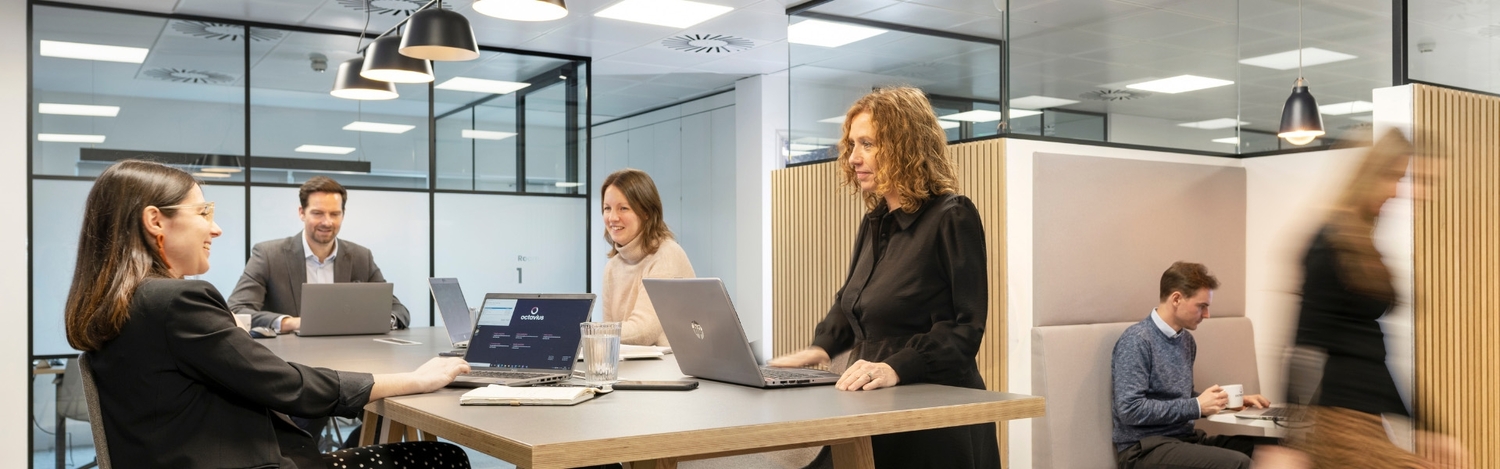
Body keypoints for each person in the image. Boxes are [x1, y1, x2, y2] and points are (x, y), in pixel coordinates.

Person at [63, 160, 471, 468]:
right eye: (204, 213)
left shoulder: (117, 302)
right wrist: (415, 379)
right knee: (441, 457)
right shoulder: (176, 301)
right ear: (155, 221)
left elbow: (394, 309)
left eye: (335, 214)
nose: (216, 229)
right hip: (247, 460)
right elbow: (286, 384)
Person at [768, 86, 997, 469]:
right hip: (872, 401)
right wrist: (820, 347)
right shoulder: (876, 221)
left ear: (906, 146)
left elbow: (964, 330)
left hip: (932, 416)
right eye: (852, 144)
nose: (854, 157)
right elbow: (853, 300)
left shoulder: (953, 216)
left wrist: (895, 366)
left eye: (868, 144)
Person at [1284, 131, 1468, 468]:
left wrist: (1424, 425)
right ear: (1369, 173)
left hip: (1366, 421)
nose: (1398, 191)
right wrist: (1290, 440)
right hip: (1339, 422)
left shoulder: (1360, 240)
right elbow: (1304, 345)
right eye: (1393, 177)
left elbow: (1373, 351)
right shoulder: (1328, 243)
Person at [1111, 261, 1278, 469]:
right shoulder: (1136, 341)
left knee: (1272, 450)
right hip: (1143, 450)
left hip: (1184, 441)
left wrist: (1225, 401)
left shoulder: (1186, 341)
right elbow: (1130, 409)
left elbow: (1182, 397)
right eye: (1202, 306)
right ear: (1177, 299)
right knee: (1238, 463)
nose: (1207, 315)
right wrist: (1197, 406)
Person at [229, 176, 410, 333]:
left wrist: (380, 322)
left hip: (350, 355)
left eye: (335, 214)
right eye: (318, 213)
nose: (327, 222)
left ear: (343, 214)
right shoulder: (268, 255)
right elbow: (237, 310)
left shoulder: (361, 257)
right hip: (289, 359)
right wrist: (291, 323)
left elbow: (397, 310)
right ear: (302, 213)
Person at [600, 168, 695, 346]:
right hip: (631, 368)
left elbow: (645, 331)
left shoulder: (667, 255)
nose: (612, 217)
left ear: (646, 213)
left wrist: (588, 332)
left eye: (623, 208)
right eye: (607, 208)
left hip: (669, 370)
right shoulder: (612, 267)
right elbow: (609, 340)